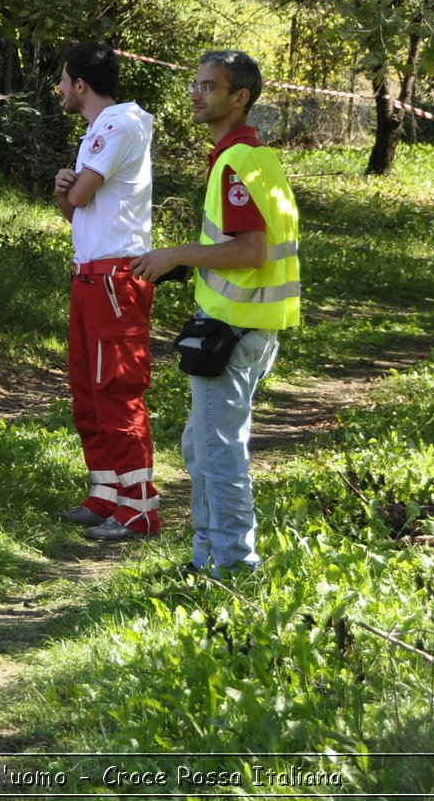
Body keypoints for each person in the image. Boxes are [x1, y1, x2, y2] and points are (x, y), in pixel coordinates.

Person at [131, 49, 301, 574]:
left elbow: (250, 251)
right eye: (196, 84)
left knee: (218, 450)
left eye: (209, 86)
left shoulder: (236, 163)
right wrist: (189, 264)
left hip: (233, 331)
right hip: (248, 328)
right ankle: (210, 555)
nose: (195, 93)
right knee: (203, 446)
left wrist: (177, 254)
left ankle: (229, 564)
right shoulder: (257, 158)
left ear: (240, 97)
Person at [51, 42, 161, 541]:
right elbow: (72, 207)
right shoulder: (98, 129)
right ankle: (106, 493)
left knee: (115, 390)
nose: (59, 88)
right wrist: (65, 192)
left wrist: (67, 191)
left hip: (115, 278)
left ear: (81, 84)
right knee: (87, 389)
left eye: (63, 79)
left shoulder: (119, 124)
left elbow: (79, 194)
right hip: (90, 275)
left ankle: (138, 507)